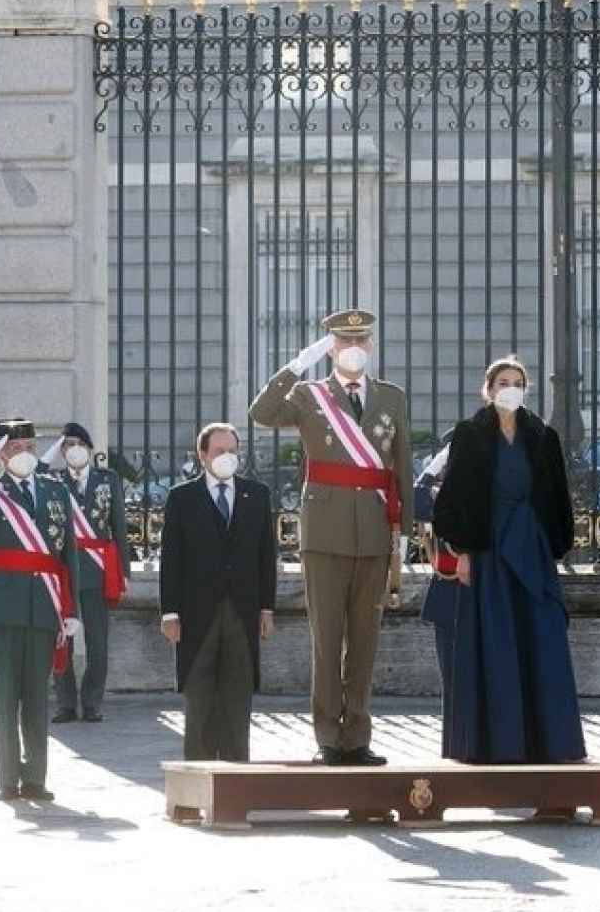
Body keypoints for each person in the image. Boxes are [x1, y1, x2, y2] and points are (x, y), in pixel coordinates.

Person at [249, 309, 413, 767]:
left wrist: (404, 532)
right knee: (327, 640)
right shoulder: (308, 395)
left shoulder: (392, 398)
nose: (353, 347)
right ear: (331, 348)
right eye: (343, 341)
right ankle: (328, 736)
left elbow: (401, 466)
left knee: (365, 640)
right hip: (323, 534)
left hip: (376, 531)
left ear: (372, 346)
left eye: (360, 339)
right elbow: (260, 413)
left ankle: (357, 735)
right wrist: (299, 364)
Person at [432, 356, 585, 764]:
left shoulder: (543, 436)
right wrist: (461, 551)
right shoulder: (469, 434)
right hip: (487, 549)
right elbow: (454, 498)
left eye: (517, 381)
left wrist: (553, 543)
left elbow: (558, 499)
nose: (511, 387)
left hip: (531, 548)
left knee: (541, 638)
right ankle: (493, 743)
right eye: (503, 380)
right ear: (489, 388)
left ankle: (548, 740)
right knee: (494, 641)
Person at [0, 418, 82, 801]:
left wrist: (70, 606)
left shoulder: (55, 490)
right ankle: (8, 779)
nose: (22, 453)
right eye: (12, 447)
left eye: (27, 445)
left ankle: (36, 778)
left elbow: (68, 554)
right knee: (6, 695)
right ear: (0, 452)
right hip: (3, 605)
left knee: (37, 696)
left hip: (45, 602)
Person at [158, 423, 278, 761]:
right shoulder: (182, 497)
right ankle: (197, 782)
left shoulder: (257, 494)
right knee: (200, 702)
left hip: (242, 611)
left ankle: (235, 782)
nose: (227, 457)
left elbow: (266, 556)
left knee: (238, 701)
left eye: (232, 451)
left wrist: (267, 608)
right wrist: (169, 613)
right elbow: (171, 559)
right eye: (219, 451)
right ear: (202, 455)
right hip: (197, 615)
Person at [39, 422, 130, 724]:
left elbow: (119, 527)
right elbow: (35, 474)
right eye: (67, 444)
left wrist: (124, 572)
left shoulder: (108, 479)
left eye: (79, 443)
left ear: (90, 449)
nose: (73, 449)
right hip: (64, 573)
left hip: (96, 571)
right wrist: (50, 452)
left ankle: (92, 702)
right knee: (62, 640)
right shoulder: (51, 481)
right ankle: (65, 703)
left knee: (98, 643)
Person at [413, 432, 465, 752]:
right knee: (454, 683)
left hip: (490, 594)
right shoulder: (438, 488)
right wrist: (439, 463)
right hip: (450, 592)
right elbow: (417, 501)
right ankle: (454, 749)